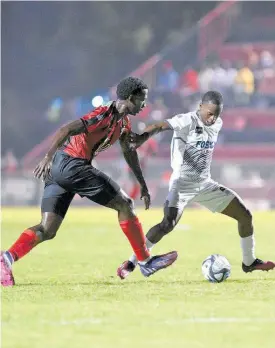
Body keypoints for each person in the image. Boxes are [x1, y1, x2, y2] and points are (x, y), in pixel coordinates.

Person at [1, 77, 178, 287]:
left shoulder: (123, 123)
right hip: (72, 165)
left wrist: (143, 184)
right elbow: (66, 129)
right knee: (125, 204)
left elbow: (129, 152)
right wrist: (47, 156)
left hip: (60, 169)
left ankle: (6, 259)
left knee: (47, 229)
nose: (144, 105)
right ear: (130, 97)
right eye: (142, 99)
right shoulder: (103, 114)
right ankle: (145, 260)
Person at [117, 90, 275, 279]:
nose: (212, 118)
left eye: (216, 114)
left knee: (245, 215)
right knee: (167, 224)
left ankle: (249, 262)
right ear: (200, 107)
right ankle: (131, 262)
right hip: (181, 184)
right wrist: (142, 137)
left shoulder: (218, 124)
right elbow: (161, 125)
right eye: (209, 112)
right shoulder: (187, 120)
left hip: (204, 184)